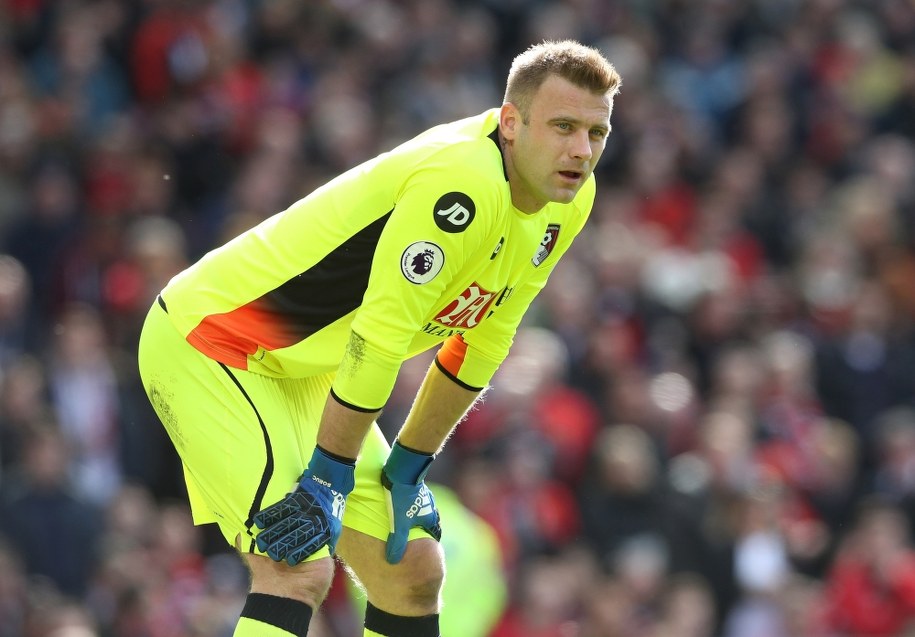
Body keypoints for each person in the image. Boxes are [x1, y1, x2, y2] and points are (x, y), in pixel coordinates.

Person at [137, 39, 621, 637]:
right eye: (564, 126)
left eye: (596, 133)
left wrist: (409, 466)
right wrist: (329, 475)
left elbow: (487, 336)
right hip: (215, 343)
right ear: (511, 123)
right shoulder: (462, 183)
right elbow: (381, 335)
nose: (581, 150)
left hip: (308, 369)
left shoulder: (567, 198)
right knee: (297, 565)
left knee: (412, 571)